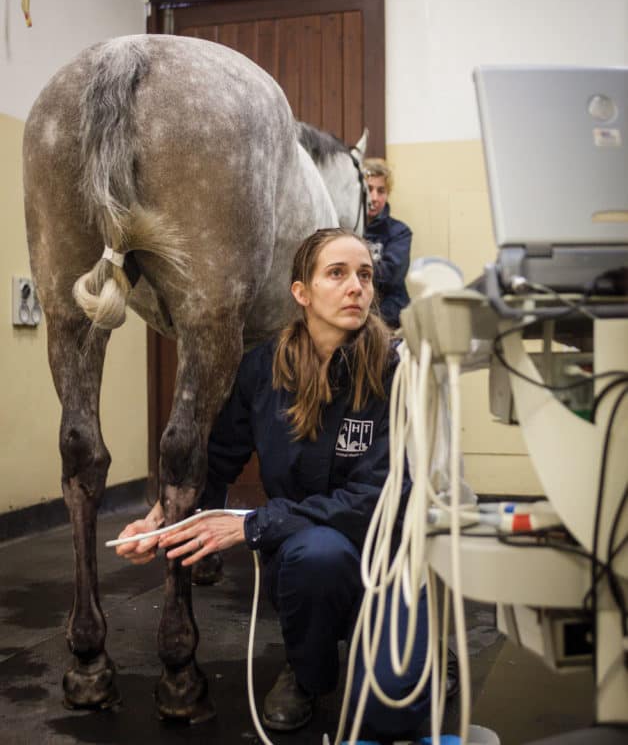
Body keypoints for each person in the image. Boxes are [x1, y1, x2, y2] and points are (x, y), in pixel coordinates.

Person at [115, 228, 431, 741]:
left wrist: (253, 526)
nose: (357, 287)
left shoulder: (397, 370)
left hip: (389, 555)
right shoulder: (263, 370)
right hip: (310, 553)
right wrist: (160, 522)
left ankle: (418, 642)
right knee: (316, 555)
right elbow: (217, 462)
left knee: (396, 711)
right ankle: (308, 675)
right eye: (338, 273)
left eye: (365, 275)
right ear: (301, 292)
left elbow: (383, 497)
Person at [363, 157, 412, 329]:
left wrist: (354, 269)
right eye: (369, 189)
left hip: (389, 314)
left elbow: (391, 276)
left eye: (381, 191)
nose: (374, 198)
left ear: (387, 194)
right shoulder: (344, 232)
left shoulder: (400, 232)